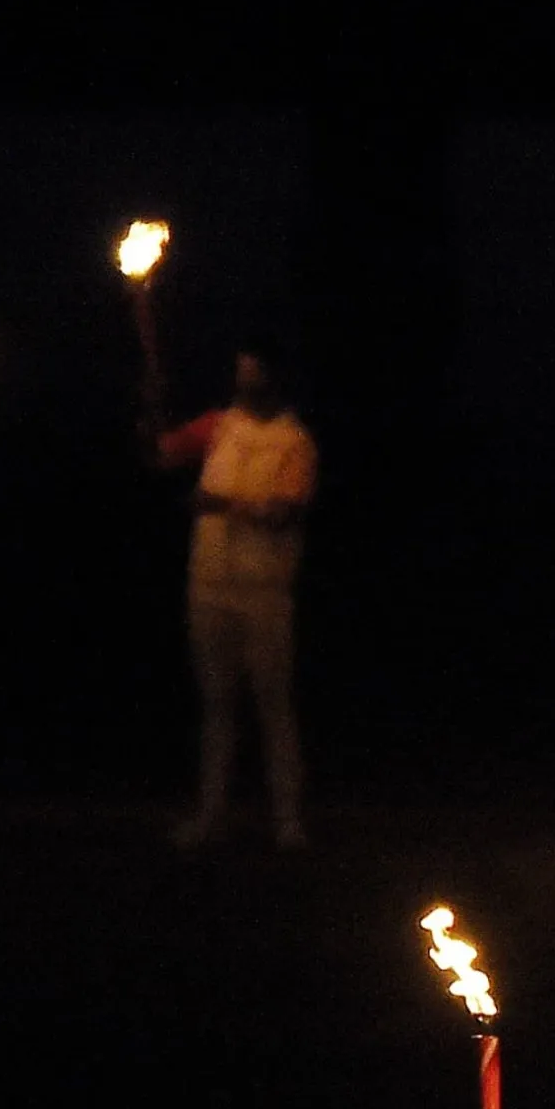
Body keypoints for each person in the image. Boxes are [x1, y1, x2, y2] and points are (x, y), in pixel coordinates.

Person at [139, 333, 318, 851]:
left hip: (265, 591)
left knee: (273, 705)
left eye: (253, 374)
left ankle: (288, 820)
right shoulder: (217, 426)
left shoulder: (296, 441)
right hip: (210, 584)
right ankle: (210, 814)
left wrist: (220, 504)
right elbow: (160, 455)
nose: (243, 383)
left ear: (273, 380)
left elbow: (284, 514)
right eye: (240, 374)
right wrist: (150, 409)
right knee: (217, 706)